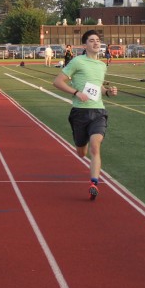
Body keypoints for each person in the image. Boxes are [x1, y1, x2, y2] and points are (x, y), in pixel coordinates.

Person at [52, 30, 118, 200]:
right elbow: (57, 82)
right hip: (80, 112)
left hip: (98, 111)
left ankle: (94, 184)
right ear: (84, 45)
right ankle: (82, 144)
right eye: (91, 40)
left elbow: (98, 87)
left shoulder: (102, 65)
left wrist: (108, 92)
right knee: (82, 152)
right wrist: (76, 93)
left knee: (95, 146)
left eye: (98, 40)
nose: (96, 43)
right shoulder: (77, 61)